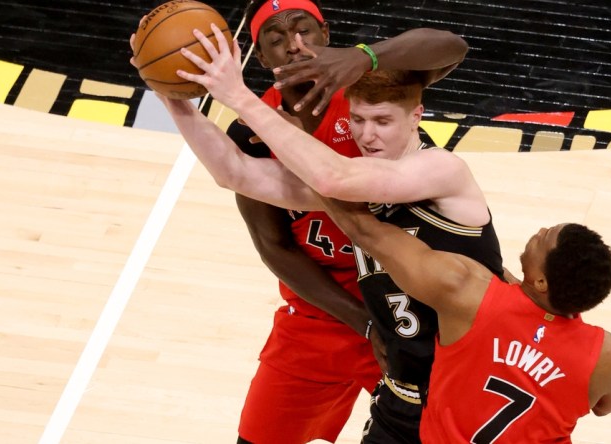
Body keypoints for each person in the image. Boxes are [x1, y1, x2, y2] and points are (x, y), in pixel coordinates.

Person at [130, 1, 470, 443]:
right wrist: (362, 322)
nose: (294, 45)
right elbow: (274, 245)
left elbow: (452, 47)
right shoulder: (252, 135)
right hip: (322, 311)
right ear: (259, 55)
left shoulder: (372, 92)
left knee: (444, 433)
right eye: (275, 38)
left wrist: (365, 55)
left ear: (326, 34)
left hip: (407, 299)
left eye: (304, 31)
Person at [317, 197, 611, 443]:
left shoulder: (472, 297)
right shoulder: (606, 354)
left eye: (545, 238)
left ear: (543, 282)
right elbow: (605, 406)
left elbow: (366, 231)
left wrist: (317, 174)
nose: (539, 231)